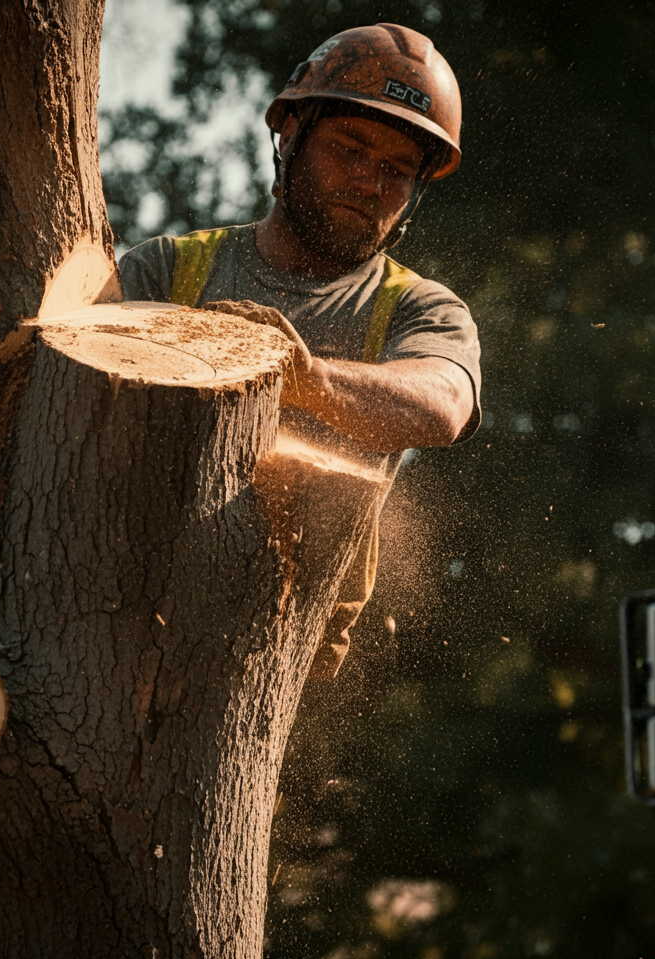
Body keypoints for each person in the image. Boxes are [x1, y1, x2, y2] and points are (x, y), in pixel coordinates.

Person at [119, 23, 481, 679]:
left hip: (292, 659)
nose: (371, 181)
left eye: (397, 170)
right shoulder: (167, 273)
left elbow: (445, 403)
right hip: (122, 621)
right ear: (291, 136)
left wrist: (303, 378)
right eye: (349, 149)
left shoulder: (418, 308)